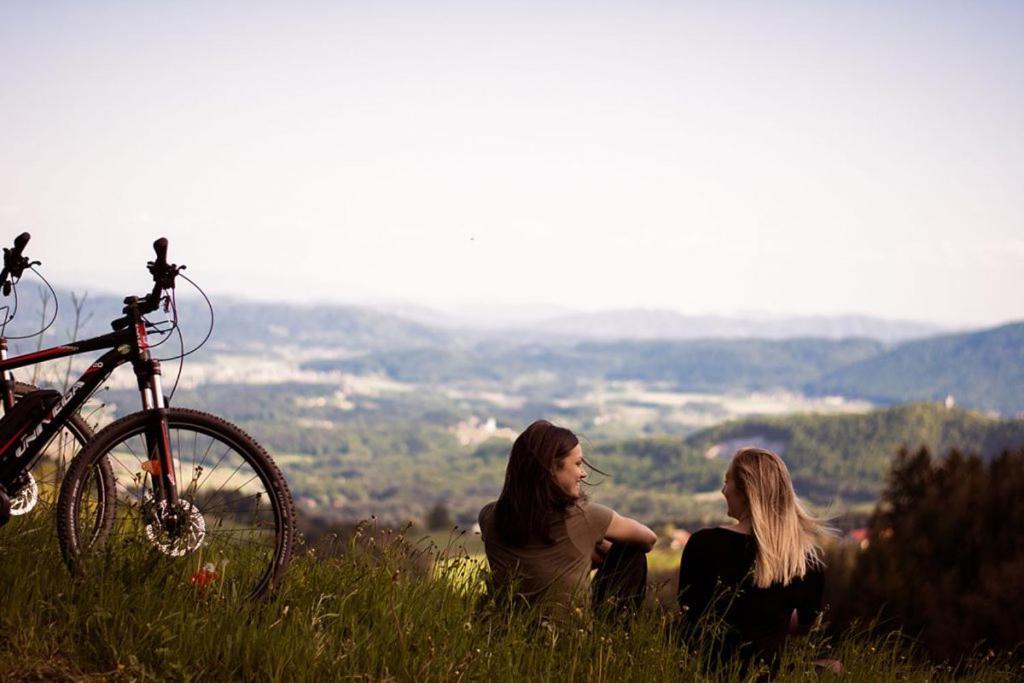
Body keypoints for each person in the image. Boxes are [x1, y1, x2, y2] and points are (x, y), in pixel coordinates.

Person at [677, 447, 834, 679]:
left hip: (701, 673)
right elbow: (805, 626)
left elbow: (688, 610)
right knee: (834, 667)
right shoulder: (804, 563)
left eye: (727, 482)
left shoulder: (703, 544)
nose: (723, 490)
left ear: (745, 492)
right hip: (764, 676)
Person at [478, 419, 657, 616]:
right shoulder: (585, 516)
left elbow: (543, 558)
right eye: (578, 464)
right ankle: (617, 635)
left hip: (511, 634)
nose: (584, 473)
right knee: (631, 553)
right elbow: (648, 539)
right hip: (572, 639)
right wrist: (601, 545)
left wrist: (586, 548)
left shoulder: (489, 517)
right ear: (552, 468)